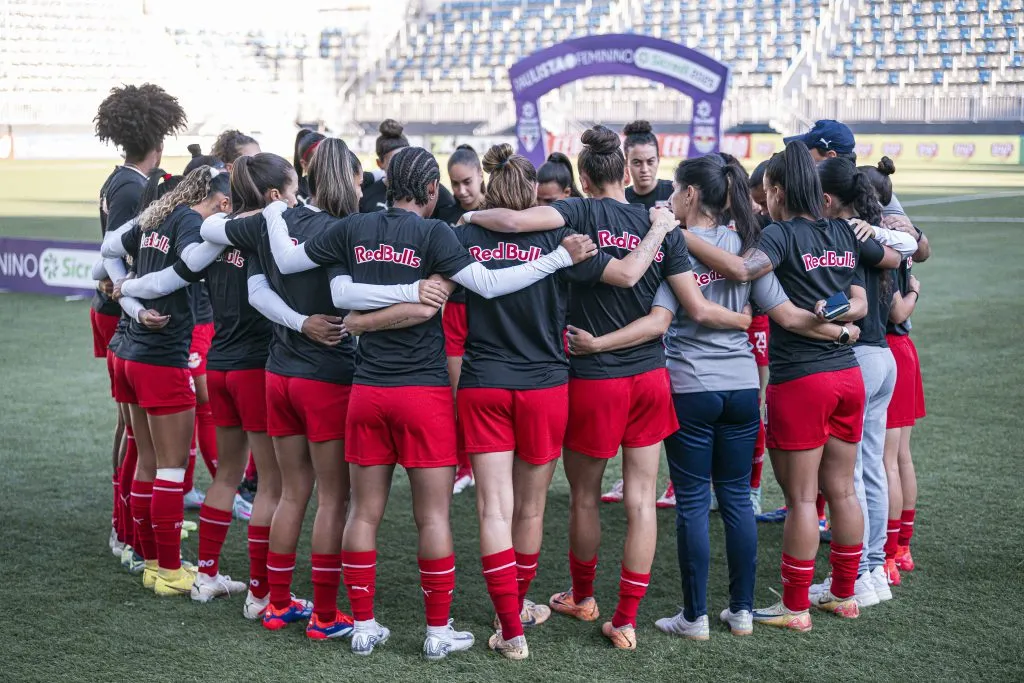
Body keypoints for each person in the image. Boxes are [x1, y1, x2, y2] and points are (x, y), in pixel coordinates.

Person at [258, 143, 600, 659]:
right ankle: (438, 632)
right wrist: (555, 258)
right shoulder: (438, 233)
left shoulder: (355, 227)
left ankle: (364, 625)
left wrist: (271, 212)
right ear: (431, 190)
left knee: (362, 513)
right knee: (434, 518)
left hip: (367, 389)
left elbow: (310, 274)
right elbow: (487, 284)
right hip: (424, 392)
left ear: (384, 183)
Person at [465, 126, 752, 651]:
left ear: (582, 177)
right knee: (642, 500)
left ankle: (582, 596)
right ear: (624, 172)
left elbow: (515, 222)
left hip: (593, 378)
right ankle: (626, 620)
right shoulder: (659, 225)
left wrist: (471, 216)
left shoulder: (575, 213)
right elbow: (676, 312)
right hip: (650, 377)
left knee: (585, 497)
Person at [681, 141, 901, 630]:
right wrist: (840, 325)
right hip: (847, 375)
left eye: (766, 190)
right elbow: (861, 301)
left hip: (802, 379)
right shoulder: (842, 230)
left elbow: (742, 269)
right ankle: (844, 593)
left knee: (802, 498)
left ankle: (796, 605)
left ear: (778, 190)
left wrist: (679, 235)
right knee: (842, 489)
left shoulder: (779, 235)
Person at [201, 145, 367, 637]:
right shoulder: (343, 229)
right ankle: (324, 615)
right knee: (334, 498)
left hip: (278, 374)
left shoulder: (269, 223)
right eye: (359, 180)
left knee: (290, 492)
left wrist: (295, 322)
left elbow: (249, 282)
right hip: (325, 375)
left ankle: (274, 603)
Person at [455, 144, 605, 659]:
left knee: (493, 509)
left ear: (490, 188)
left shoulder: (466, 234)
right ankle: (515, 610)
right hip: (544, 386)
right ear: (534, 194)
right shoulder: (560, 237)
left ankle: (510, 629)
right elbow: (620, 278)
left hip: (484, 384)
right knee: (530, 508)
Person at [101, 166, 231, 597]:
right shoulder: (191, 222)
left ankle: (151, 561)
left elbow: (106, 250)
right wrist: (133, 291)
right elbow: (185, 268)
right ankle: (169, 571)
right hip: (161, 358)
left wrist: (129, 296)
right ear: (221, 202)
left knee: (148, 462)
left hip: (131, 352)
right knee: (171, 471)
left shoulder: (157, 216)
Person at [811, 157, 920, 609]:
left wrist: (818, 311)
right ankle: (874, 570)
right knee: (871, 468)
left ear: (828, 198)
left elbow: (844, 297)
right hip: (884, 355)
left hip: (857, 355)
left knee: (850, 474)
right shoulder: (873, 232)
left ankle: (855, 574)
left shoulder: (845, 234)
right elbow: (910, 248)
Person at [92, 83, 187, 557]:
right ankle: (125, 527)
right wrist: (128, 293)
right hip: (127, 318)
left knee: (134, 432)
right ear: (160, 139)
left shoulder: (119, 180)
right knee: (134, 434)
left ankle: (133, 523)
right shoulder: (133, 188)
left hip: (121, 312)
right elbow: (113, 255)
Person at [436, 144, 488, 494]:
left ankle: (486, 460)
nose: (461, 190)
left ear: (481, 175)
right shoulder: (446, 212)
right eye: (454, 184)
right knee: (458, 395)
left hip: (490, 310)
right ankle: (463, 464)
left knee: (486, 392)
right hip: (455, 311)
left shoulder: (501, 209)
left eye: (467, 181)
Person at [622, 121, 674, 210]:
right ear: (627, 163)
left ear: (658, 160)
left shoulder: (674, 193)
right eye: (637, 163)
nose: (644, 169)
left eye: (650, 162)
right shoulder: (622, 199)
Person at [293, 129, 325, 206]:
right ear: (304, 164)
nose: (327, 164)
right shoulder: (294, 192)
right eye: (320, 160)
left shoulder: (341, 188)